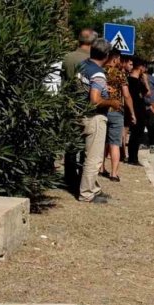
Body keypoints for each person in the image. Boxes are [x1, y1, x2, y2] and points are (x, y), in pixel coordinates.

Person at [77, 38, 119, 204]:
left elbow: (85, 88)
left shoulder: (82, 65)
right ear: (107, 55)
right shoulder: (98, 73)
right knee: (93, 158)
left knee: (85, 155)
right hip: (94, 117)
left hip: (79, 113)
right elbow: (94, 100)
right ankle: (87, 193)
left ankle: (93, 188)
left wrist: (103, 89)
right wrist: (112, 102)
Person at [62, 28, 96, 190]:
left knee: (70, 144)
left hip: (69, 104)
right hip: (86, 107)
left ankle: (69, 176)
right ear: (93, 42)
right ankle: (83, 180)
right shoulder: (92, 60)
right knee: (87, 147)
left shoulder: (67, 57)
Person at [100, 50, 135, 182]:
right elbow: (126, 95)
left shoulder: (100, 71)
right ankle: (114, 174)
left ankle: (101, 168)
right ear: (115, 59)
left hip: (102, 108)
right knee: (115, 143)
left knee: (102, 141)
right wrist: (132, 112)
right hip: (116, 111)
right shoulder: (120, 74)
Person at [126, 58, 149, 166]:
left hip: (139, 111)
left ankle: (133, 157)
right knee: (135, 136)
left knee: (137, 135)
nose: (145, 70)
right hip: (136, 111)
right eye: (144, 67)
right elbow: (147, 93)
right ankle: (132, 158)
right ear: (140, 67)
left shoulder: (136, 81)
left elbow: (146, 93)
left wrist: (144, 81)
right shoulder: (132, 81)